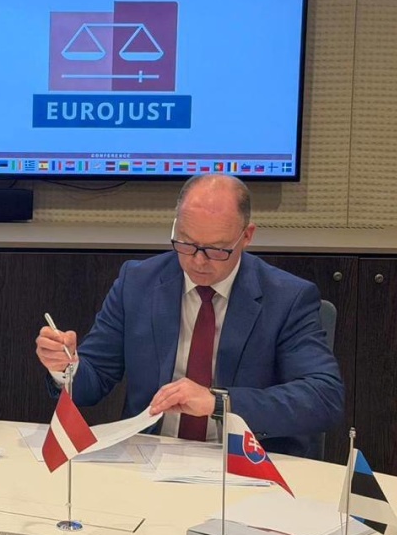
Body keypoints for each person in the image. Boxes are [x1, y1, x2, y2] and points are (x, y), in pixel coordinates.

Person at [35, 174, 344, 458]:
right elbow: (92, 383)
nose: (198, 261)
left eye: (217, 249)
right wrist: (66, 367)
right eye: (186, 243)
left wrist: (219, 403)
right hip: (149, 459)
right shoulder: (137, 283)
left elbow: (323, 397)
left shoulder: (287, 298)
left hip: (243, 465)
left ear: (246, 236)